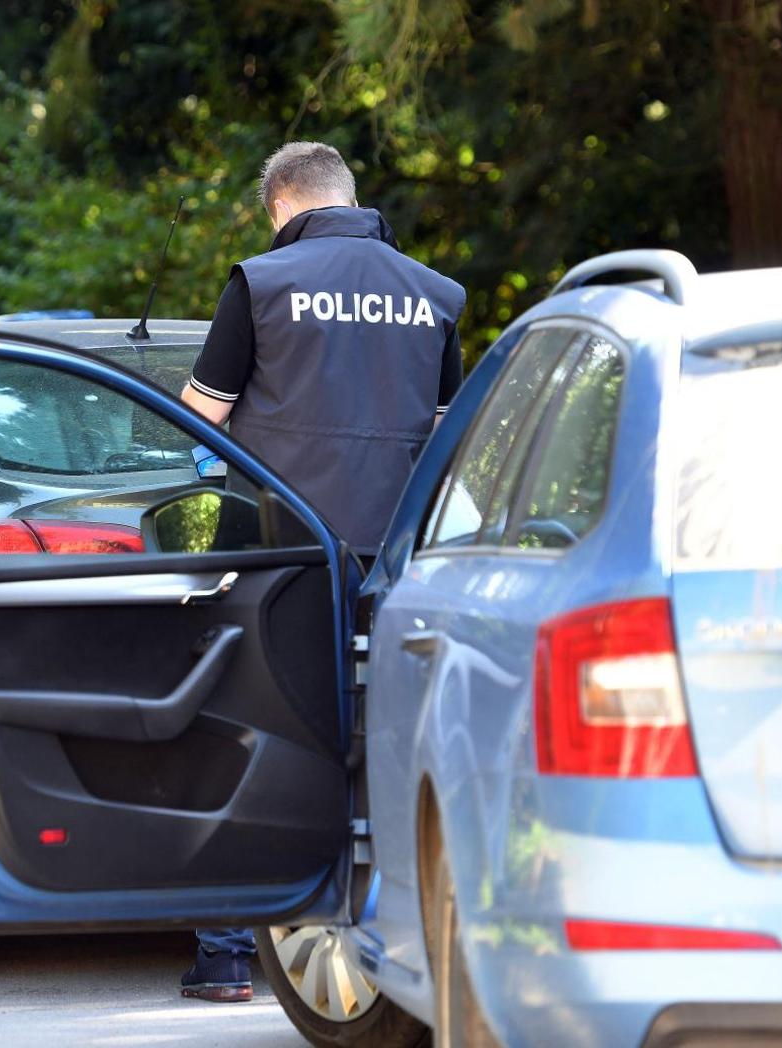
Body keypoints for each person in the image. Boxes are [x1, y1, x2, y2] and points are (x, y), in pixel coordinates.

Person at [178, 142, 466, 1004]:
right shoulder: (436, 294)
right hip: (402, 563)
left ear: (282, 207)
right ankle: (391, 948)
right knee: (388, 745)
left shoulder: (262, 282)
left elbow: (201, 417)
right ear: (348, 197)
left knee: (253, 734)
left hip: (288, 556)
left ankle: (230, 957)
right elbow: (448, 430)